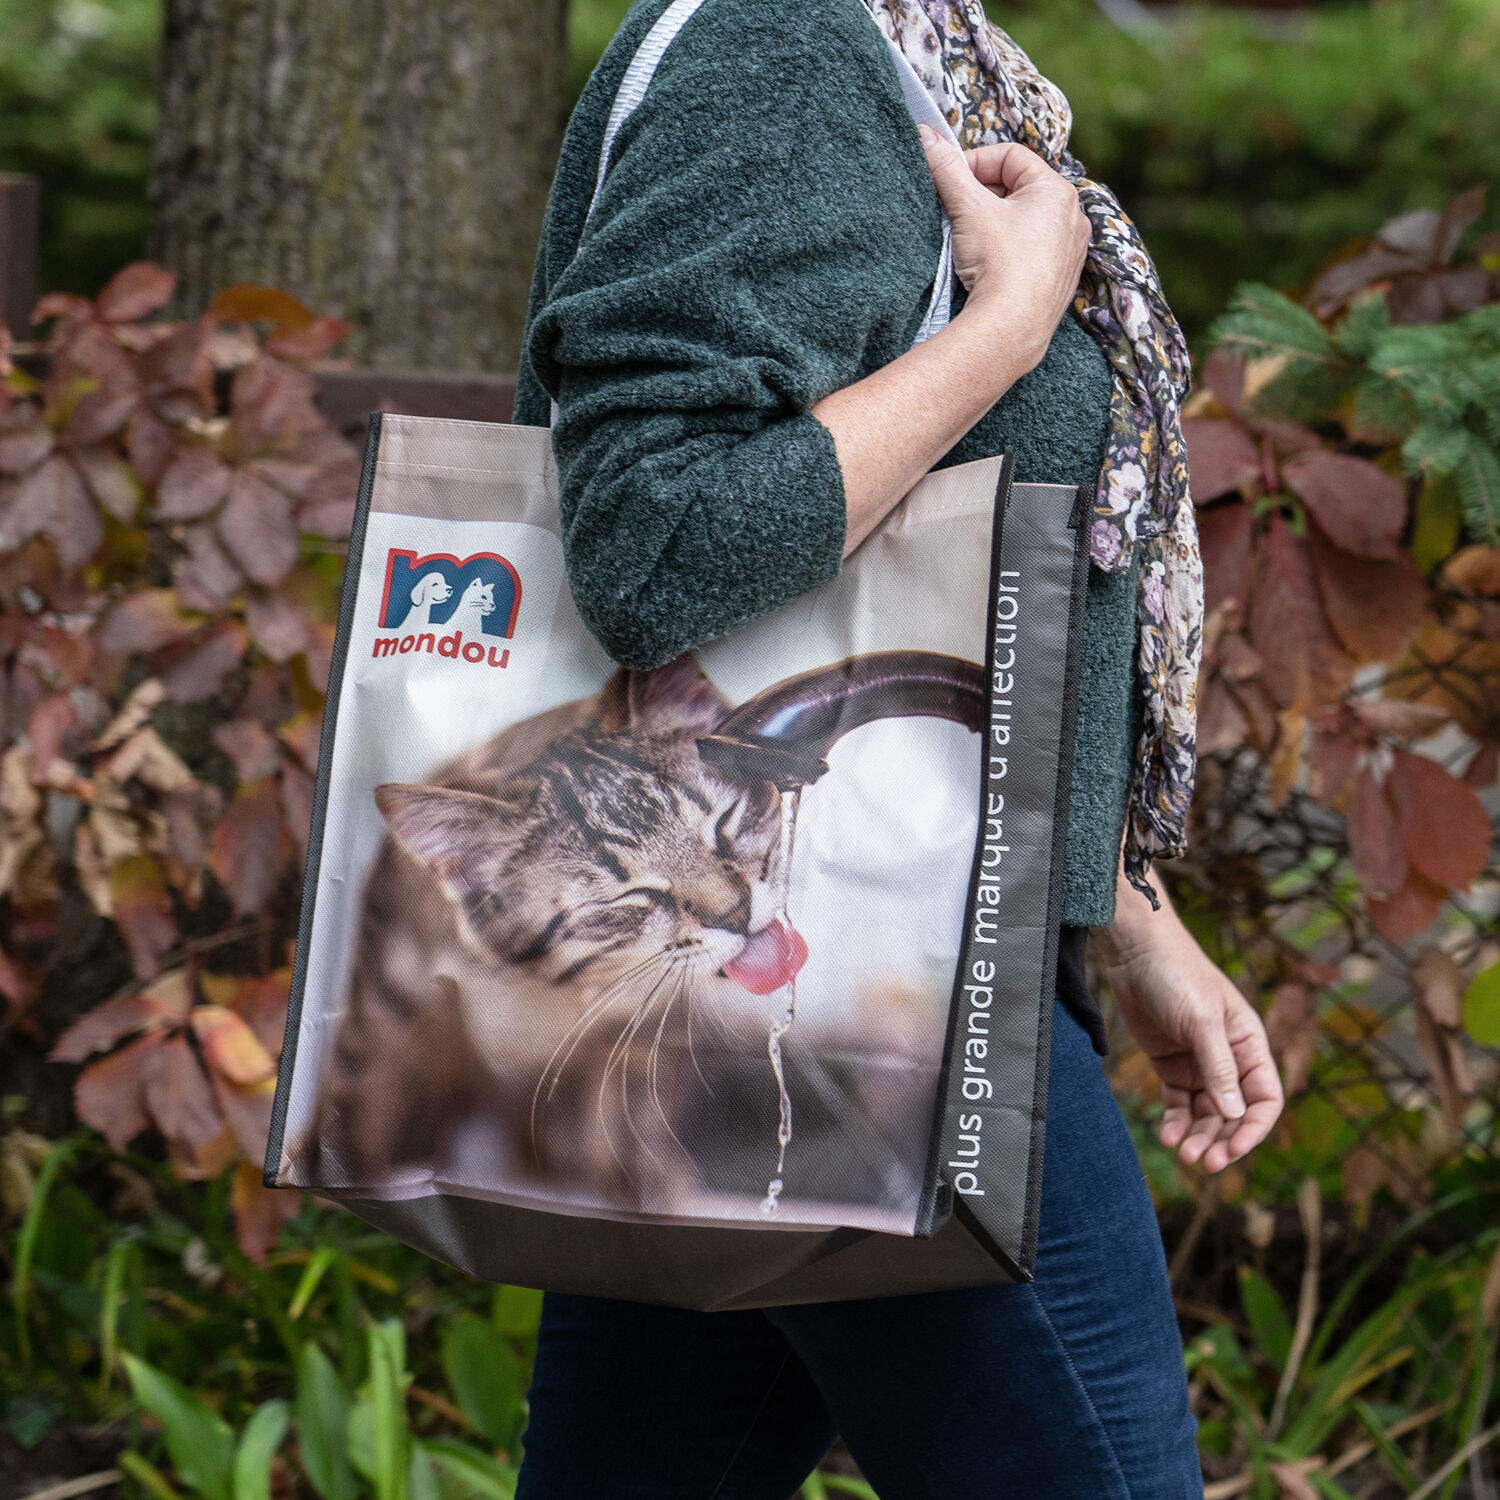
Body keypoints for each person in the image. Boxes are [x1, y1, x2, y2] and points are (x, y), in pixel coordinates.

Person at [510, 1, 1285, 1493]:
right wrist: (1011, 326)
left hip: (782, 975)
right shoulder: (779, 46)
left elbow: (924, 555)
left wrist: (1121, 915)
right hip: (879, 1002)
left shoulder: (905, 55)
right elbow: (658, 547)